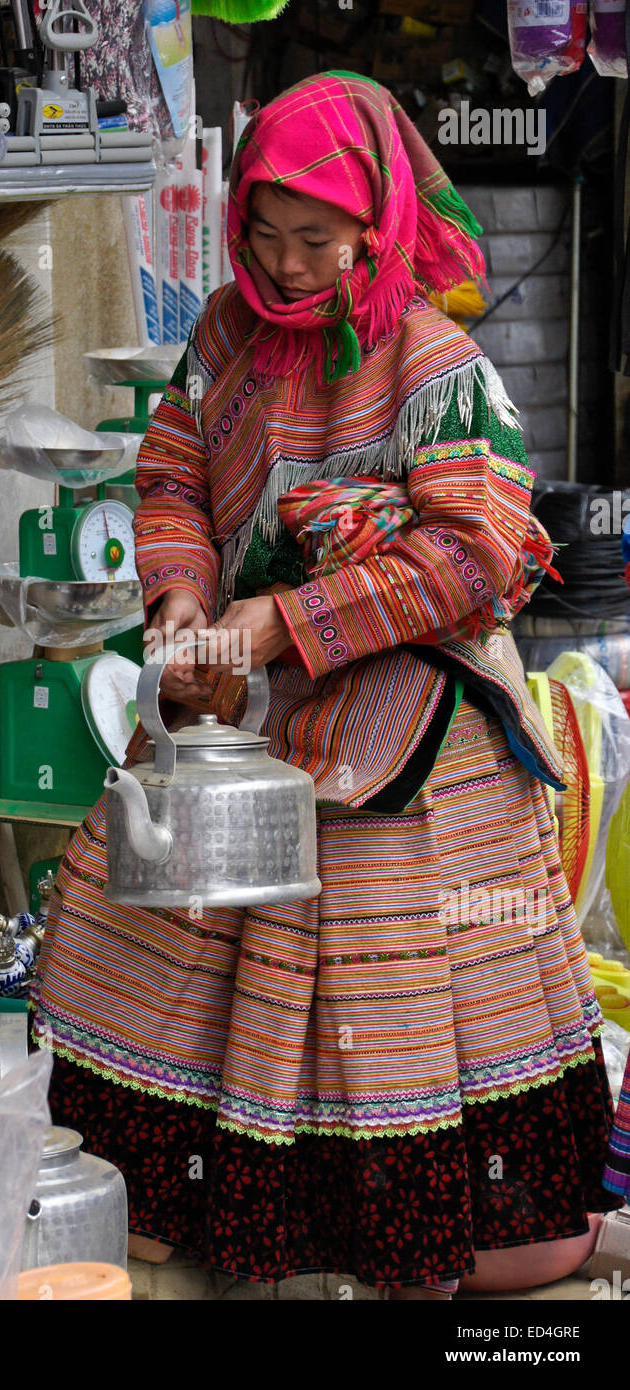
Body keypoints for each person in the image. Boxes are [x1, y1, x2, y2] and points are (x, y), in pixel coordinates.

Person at [31, 71, 621, 1298]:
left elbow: (472, 551)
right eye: (263, 233)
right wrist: (182, 599)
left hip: (406, 719)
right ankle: (175, 1201)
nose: (284, 264)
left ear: (373, 224)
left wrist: (285, 619)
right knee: (162, 929)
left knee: (376, 984)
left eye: (315, 239)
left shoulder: (435, 363)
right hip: (246, 700)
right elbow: (173, 480)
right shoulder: (223, 338)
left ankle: (402, 1231)